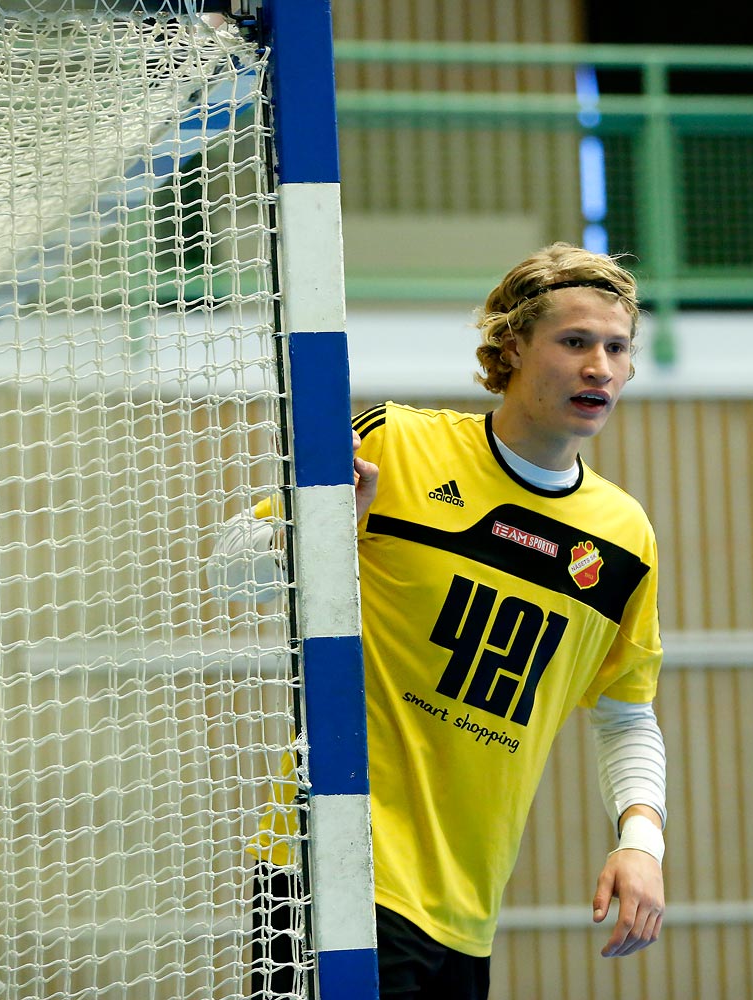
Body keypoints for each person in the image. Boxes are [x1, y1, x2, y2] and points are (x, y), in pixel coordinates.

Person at [234, 243, 668, 999]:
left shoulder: (624, 536)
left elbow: (626, 711)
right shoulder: (400, 444)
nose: (599, 365)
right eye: (574, 342)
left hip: (465, 912)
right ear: (511, 348)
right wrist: (321, 527)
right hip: (333, 862)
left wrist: (642, 841)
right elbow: (233, 577)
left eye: (617, 346)